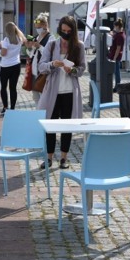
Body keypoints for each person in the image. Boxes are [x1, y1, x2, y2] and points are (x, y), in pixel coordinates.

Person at [37, 15, 86, 170]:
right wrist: (53, 64)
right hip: (53, 91)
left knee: (67, 126)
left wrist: (72, 69)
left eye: (68, 31)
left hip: (70, 92)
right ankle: (49, 158)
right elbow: (41, 66)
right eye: (63, 30)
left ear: (73, 32)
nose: (65, 34)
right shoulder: (51, 45)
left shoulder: (79, 46)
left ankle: (64, 159)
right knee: (50, 125)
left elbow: (82, 69)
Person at [0, 22, 26, 114]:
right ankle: (13, 108)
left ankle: (5, 107)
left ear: (6, 30)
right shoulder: (19, 38)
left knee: (3, 87)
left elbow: (3, 53)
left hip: (5, 66)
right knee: (13, 88)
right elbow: (24, 42)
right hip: (16, 65)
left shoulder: (6, 40)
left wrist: (0, 47)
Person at [25, 12, 52, 104]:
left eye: (39, 27)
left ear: (45, 25)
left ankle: (45, 116)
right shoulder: (36, 37)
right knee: (36, 97)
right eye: (36, 28)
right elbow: (31, 54)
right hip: (34, 72)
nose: (37, 29)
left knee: (44, 98)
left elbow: (50, 54)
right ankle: (38, 114)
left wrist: (39, 46)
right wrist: (29, 48)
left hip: (43, 73)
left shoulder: (51, 38)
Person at [109, 18, 126, 92]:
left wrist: (114, 58)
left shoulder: (120, 36)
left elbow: (118, 48)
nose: (114, 28)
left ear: (118, 27)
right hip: (113, 55)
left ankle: (117, 86)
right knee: (116, 72)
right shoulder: (118, 34)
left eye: (115, 26)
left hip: (116, 56)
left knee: (116, 72)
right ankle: (117, 86)